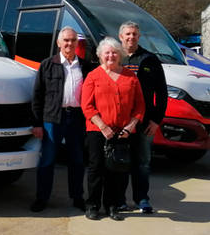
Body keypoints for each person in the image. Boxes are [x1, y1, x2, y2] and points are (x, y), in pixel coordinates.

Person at [81, 37, 145, 221]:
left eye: (114, 52)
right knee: (96, 168)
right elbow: (87, 105)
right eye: (107, 52)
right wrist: (102, 126)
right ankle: (92, 205)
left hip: (122, 132)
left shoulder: (130, 76)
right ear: (100, 55)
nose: (111, 55)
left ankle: (112, 206)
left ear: (120, 55)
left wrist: (130, 126)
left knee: (116, 170)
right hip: (97, 130)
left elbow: (140, 106)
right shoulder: (93, 76)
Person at [29, 26, 92, 213]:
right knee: (47, 160)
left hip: (77, 118)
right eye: (66, 40)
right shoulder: (47, 65)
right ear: (58, 43)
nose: (69, 44)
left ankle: (77, 197)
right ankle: (42, 198)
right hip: (52, 119)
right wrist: (37, 124)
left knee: (77, 160)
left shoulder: (85, 66)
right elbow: (37, 96)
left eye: (73, 40)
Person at [118, 21, 168, 214]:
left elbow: (162, 93)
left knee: (142, 163)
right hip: (120, 122)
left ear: (139, 37)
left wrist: (156, 121)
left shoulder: (150, 59)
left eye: (135, 34)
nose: (131, 37)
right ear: (121, 36)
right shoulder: (114, 57)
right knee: (120, 161)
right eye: (128, 34)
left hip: (145, 122)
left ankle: (142, 199)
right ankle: (120, 200)